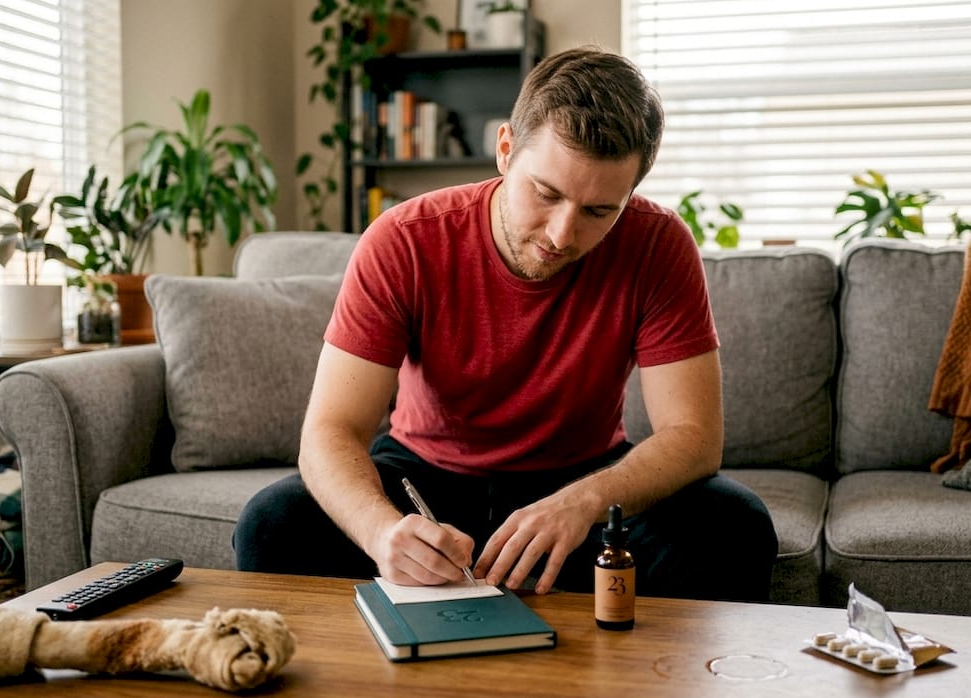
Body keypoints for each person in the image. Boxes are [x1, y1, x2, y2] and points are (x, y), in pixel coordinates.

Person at [234, 46, 778, 602]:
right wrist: (380, 534)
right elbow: (330, 430)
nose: (562, 234)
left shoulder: (660, 244)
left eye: (599, 212)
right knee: (272, 523)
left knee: (734, 524)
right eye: (546, 193)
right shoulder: (403, 240)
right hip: (425, 481)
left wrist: (586, 502)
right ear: (505, 149)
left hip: (582, 483)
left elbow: (694, 438)